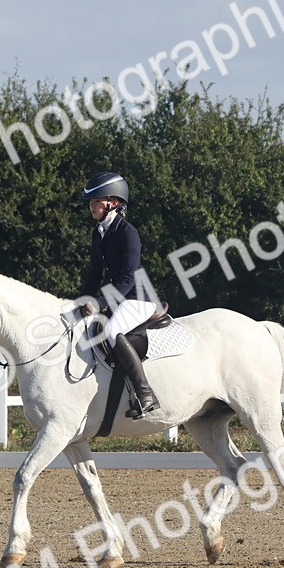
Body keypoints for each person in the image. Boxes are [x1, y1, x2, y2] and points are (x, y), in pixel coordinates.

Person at [78, 171, 161, 418]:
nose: (91, 206)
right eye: (91, 202)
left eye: (96, 201)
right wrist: (81, 300)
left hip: (138, 298)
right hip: (120, 298)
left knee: (113, 331)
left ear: (112, 203)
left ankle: (145, 394)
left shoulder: (127, 233)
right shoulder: (99, 232)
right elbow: (95, 273)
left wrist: (101, 302)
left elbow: (126, 278)